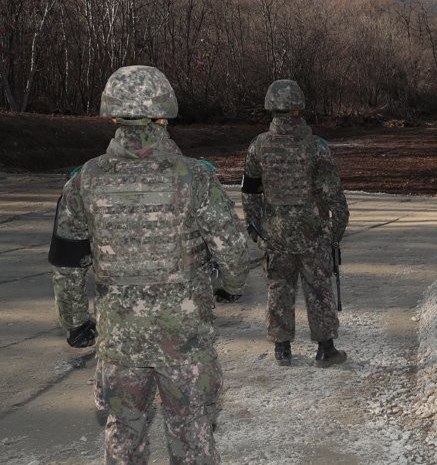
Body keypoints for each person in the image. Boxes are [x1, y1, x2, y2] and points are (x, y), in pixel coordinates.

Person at [48, 64, 250, 464]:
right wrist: (231, 285)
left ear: (112, 116)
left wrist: (75, 322)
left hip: (120, 340)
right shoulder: (195, 177)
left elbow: (68, 264)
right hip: (186, 339)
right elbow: (232, 250)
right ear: (164, 115)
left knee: (124, 433)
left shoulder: (84, 180)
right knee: (192, 433)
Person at [241, 79, 349, 368]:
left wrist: (258, 232)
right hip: (312, 233)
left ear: (271, 109)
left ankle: (282, 348)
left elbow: (250, 193)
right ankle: (326, 349)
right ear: (299, 110)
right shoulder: (316, 147)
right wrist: (334, 232)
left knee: (279, 286)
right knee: (318, 289)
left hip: (275, 233)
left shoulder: (258, 147)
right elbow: (334, 195)